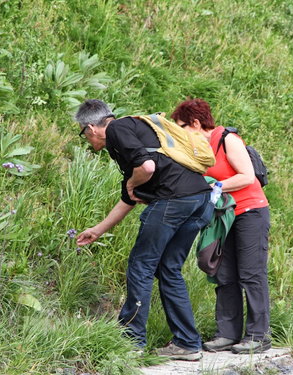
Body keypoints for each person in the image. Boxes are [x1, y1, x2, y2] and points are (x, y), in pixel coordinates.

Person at [74, 99, 214, 361]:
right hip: (200, 201)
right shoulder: (134, 133)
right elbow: (131, 196)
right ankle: (187, 343)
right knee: (168, 268)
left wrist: (133, 182)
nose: (87, 141)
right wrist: (98, 230)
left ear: (91, 128)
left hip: (173, 201)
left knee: (141, 265)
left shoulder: (117, 130)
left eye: (84, 135)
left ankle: (131, 340)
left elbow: (146, 168)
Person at [171, 98, 271, 354]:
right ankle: (227, 333)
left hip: (250, 211)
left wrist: (213, 187)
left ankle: (259, 336)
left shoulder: (227, 139)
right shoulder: (197, 148)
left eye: (181, 126)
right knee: (223, 274)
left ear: (195, 123)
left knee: (251, 273)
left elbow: (246, 176)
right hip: (222, 215)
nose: (180, 132)